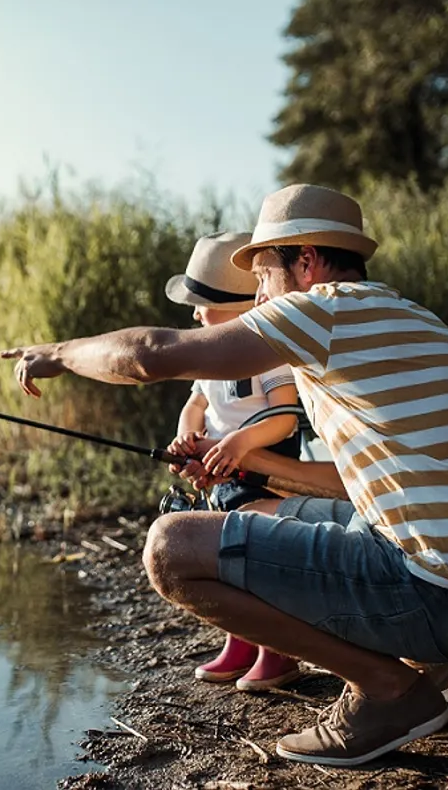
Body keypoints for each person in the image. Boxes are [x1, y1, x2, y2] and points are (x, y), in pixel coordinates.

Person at [0, 184, 448, 767]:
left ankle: (388, 691)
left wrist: (60, 352)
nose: (257, 295)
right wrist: (249, 461)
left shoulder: (321, 311)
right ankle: (447, 664)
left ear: (305, 261)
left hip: (441, 597)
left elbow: (151, 354)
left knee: (172, 548)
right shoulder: (403, 316)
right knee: (277, 512)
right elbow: (357, 486)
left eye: (262, 275)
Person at [162, 230, 302, 691]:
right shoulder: (210, 358)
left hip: (264, 469)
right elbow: (196, 404)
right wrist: (187, 436)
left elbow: (284, 418)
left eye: (202, 304)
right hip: (220, 474)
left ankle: (276, 650)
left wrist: (240, 444)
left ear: (238, 308)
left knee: (256, 557)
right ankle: (239, 640)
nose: (194, 313)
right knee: (224, 556)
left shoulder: (270, 354)